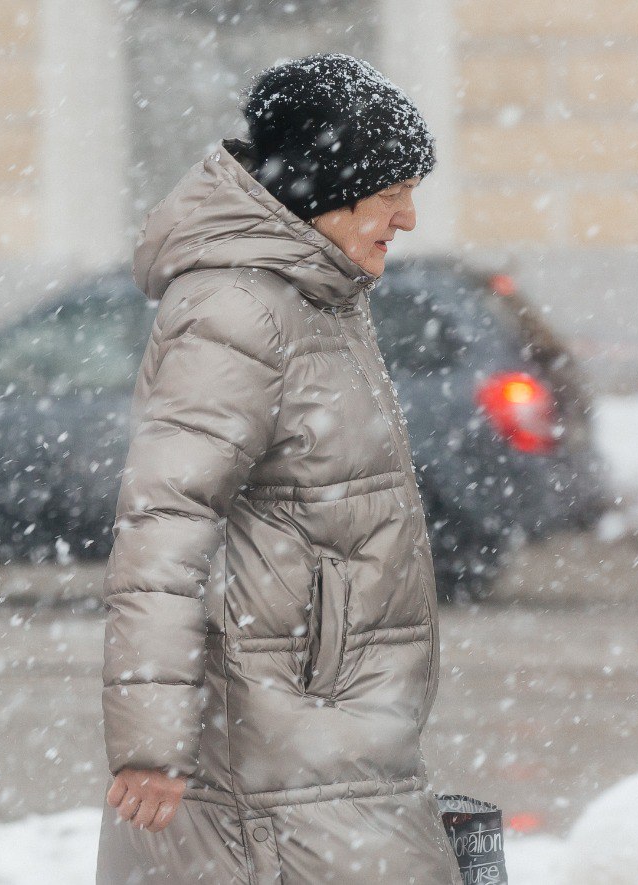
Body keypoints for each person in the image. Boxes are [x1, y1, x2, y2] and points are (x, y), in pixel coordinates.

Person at [96, 53, 462, 884]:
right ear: (322, 187)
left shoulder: (319, 298)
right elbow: (165, 526)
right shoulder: (239, 309)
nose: (407, 218)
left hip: (332, 736)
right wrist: (152, 742)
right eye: (392, 191)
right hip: (270, 751)